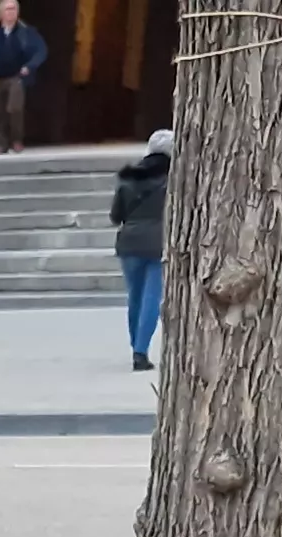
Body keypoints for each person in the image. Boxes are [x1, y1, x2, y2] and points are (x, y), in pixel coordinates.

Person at [115, 129, 174, 372]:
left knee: (135, 296)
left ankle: (135, 345)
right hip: (158, 242)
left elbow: (116, 215)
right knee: (152, 296)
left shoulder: (129, 178)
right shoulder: (174, 179)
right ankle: (141, 350)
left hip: (129, 242)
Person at [0, 0, 47, 153]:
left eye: (14, 9)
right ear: (1, 14)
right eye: (8, 9)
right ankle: (1, 144)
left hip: (16, 77)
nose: (11, 12)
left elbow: (41, 51)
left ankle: (16, 140)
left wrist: (30, 66)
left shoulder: (27, 33)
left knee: (14, 108)